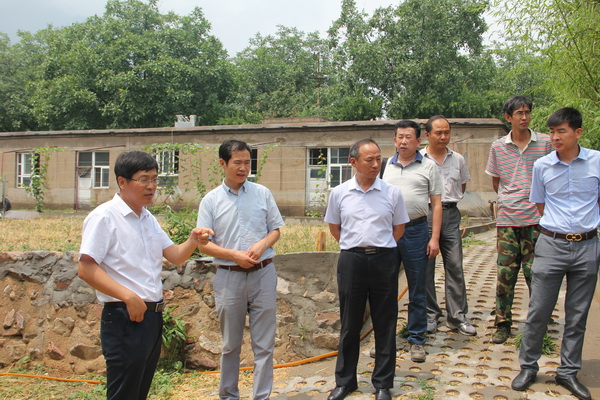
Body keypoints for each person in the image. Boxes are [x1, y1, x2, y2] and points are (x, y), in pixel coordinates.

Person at [78, 151, 212, 400]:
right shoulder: (104, 217)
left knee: (139, 392)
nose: (151, 186)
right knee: (124, 393)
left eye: (154, 179)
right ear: (122, 181)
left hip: (151, 317)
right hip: (124, 316)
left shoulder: (147, 218)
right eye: (143, 179)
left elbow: (174, 255)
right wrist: (128, 296)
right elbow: (86, 268)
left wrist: (193, 240)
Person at [511, 107, 599, 400]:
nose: (555, 137)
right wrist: (559, 228)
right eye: (551, 131)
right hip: (551, 244)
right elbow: (539, 204)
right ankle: (528, 366)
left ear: (578, 132)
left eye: (561, 131)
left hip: (587, 246)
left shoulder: (597, 161)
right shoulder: (542, 166)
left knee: (577, 313)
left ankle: (568, 371)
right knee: (539, 310)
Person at [197, 139, 284, 400]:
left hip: (263, 273)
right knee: (230, 345)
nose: (243, 168)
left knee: (264, 345)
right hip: (229, 278)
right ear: (222, 163)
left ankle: (261, 396)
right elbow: (203, 244)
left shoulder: (262, 193)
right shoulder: (211, 200)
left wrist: (262, 244)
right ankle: (228, 395)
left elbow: (275, 230)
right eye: (237, 162)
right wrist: (234, 255)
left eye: (247, 162)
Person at [325, 138, 409, 400]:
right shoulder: (340, 193)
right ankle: (345, 382)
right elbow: (335, 227)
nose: (375, 164)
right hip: (352, 261)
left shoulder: (392, 193)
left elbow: (398, 228)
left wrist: (381, 247)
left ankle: (383, 383)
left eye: (378, 159)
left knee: (385, 322)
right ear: (353, 162)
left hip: (384, 260)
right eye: (369, 160)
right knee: (350, 324)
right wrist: (355, 246)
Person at [485, 95, 552, 344]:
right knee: (506, 274)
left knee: (536, 274)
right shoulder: (498, 147)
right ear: (508, 117)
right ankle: (503, 324)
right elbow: (496, 182)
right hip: (507, 221)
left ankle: (540, 323)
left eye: (527, 112)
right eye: (519, 113)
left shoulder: (544, 143)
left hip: (537, 220)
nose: (524, 117)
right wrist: (511, 198)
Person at [381, 120, 442, 363]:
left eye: (408, 137)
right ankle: (386, 339)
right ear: (394, 140)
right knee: (386, 289)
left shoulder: (429, 166)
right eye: (400, 137)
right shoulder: (385, 166)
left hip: (417, 231)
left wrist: (434, 238)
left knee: (417, 288)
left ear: (419, 141)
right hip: (388, 233)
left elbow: (436, 204)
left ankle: (416, 338)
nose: (403, 141)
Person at [421, 116, 476, 336]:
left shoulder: (458, 159)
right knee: (426, 268)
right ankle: (430, 315)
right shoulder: (419, 160)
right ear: (427, 135)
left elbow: (462, 186)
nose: (443, 137)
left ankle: (457, 317)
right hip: (425, 216)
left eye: (447, 132)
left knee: (454, 265)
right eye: (438, 133)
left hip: (451, 215)